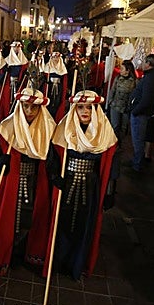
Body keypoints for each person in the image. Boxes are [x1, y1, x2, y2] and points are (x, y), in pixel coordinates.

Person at [47, 90, 117, 280]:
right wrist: (54, 176)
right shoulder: (65, 129)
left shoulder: (105, 131)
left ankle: (76, 264)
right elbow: (53, 156)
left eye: (89, 107)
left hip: (90, 186)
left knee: (83, 226)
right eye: (80, 107)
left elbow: (111, 164)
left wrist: (110, 191)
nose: (85, 111)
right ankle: (58, 261)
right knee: (63, 222)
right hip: (67, 183)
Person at [0, 88, 56, 281]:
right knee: (9, 219)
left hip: (35, 182)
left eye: (34, 107)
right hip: (11, 181)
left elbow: (51, 160)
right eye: (25, 106)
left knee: (31, 218)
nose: (29, 111)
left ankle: (24, 254)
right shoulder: (6, 129)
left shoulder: (49, 129)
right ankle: (4, 256)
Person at [128, 54, 154, 172]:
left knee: (138, 139)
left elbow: (146, 99)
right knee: (139, 138)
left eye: (143, 62)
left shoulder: (151, 78)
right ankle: (136, 160)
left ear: (148, 64)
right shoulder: (153, 76)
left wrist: (135, 111)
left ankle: (137, 164)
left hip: (141, 113)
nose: (142, 64)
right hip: (143, 112)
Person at [0, 41, 29, 120]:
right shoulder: (7, 61)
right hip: (9, 83)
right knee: (8, 99)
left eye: (18, 48)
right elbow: (2, 75)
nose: (16, 49)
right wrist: (5, 71)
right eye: (15, 47)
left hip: (19, 83)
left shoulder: (24, 61)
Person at [108, 60, 136, 142]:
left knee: (124, 127)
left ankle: (121, 142)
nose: (120, 70)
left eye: (122, 68)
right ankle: (113, 142)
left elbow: (134, 95)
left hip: (126, 107)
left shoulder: (134, 81)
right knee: (115, 125)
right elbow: (112, 90)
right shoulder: (117, 78)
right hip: (115, 105)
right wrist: (110, 101)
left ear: (128, 70)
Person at [41, 50, 69, 122]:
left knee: (56, 102)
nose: (55, 59)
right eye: (54, 57)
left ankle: (55, 117)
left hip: (58, 88)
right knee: (49, 101)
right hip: (49, 88)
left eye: (57, 57)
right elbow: (43, 79)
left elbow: (64, 81)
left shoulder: (62, 68)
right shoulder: (48, 67)